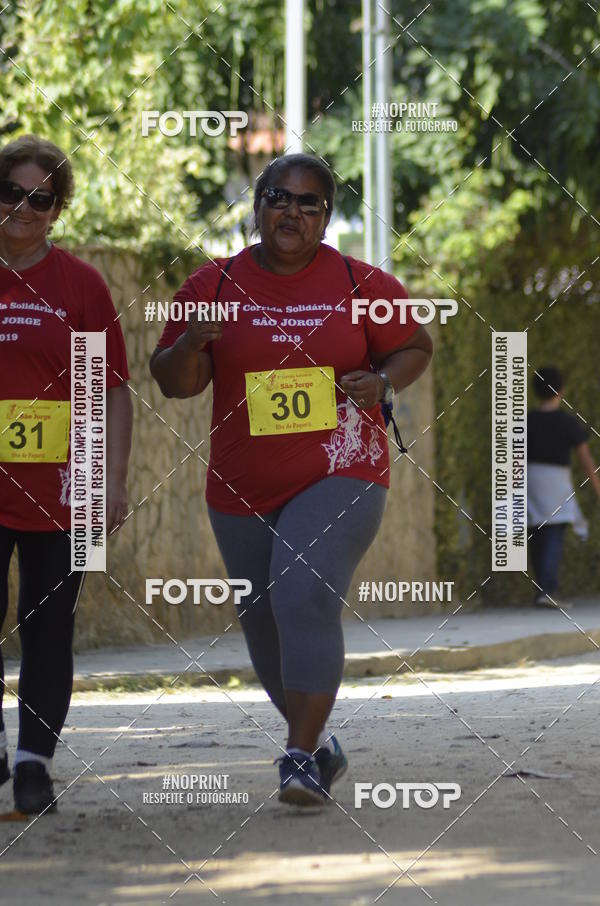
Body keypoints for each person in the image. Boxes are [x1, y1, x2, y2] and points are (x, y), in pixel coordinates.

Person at [150, 153, 432, 806]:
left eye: (310, 203)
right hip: (241, 484)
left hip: (343, 465)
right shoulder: (213, 284)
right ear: (257, 206)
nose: (293, 212)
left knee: (303, 595)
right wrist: (190, 342)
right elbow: (175, 383)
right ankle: (321, 744)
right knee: (262, 621)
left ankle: (299, 756)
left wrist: (383, 381)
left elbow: (416, 346)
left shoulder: (363, 284)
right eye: (280, 197)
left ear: (326, 217)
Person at [0, 135, 133, 813]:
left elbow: (110, 389)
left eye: (40, 198)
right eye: (10, 192)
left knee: (49, 626)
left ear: (58, 209)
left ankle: (34, 766)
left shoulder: (80, 285)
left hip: (67, 487)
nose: (22, 208)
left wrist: (110, 481)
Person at [528, 366, 600, 607]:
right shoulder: (568, 423)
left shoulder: (525, 421)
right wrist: (597, 488)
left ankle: (542, 588)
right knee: (555, 532)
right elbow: (586, 460)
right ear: (561, 391)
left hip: (530, 480)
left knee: (536, 532)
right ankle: (547, 589)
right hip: (556, 481)